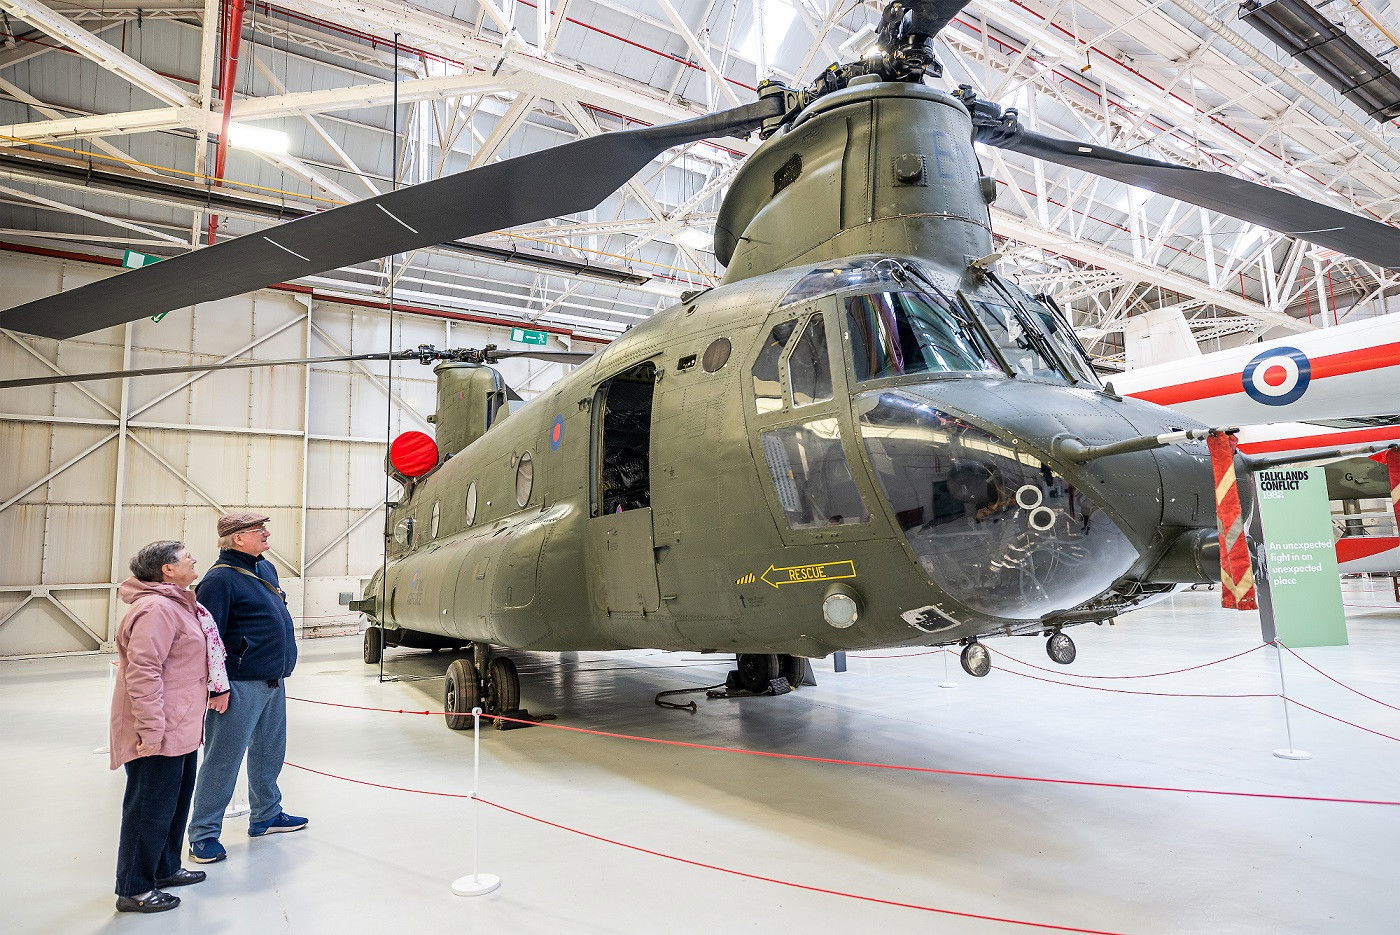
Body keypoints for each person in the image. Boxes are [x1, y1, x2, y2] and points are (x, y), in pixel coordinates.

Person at [111, 540, 230, 913]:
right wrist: (150, 729)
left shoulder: (178, 605)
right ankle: (134, 888)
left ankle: (163, 869)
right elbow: (143, 673)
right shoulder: (157, 609)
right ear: (166, 569)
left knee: (174, 804)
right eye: (185, 557)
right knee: (149, 808)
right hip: (159, 729)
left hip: (180, 726)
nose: (193, 559)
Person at [187, 511, 306, 864]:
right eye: (259, 530)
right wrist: (217, 687)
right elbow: (209, 639)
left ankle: (266, 814)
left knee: (270, 751)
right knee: (223, 759)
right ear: (238, 538)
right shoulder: (218, 581)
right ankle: (204, 833)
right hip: (239, 684)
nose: (266, 534)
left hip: (273, 678)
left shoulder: (264, 568)